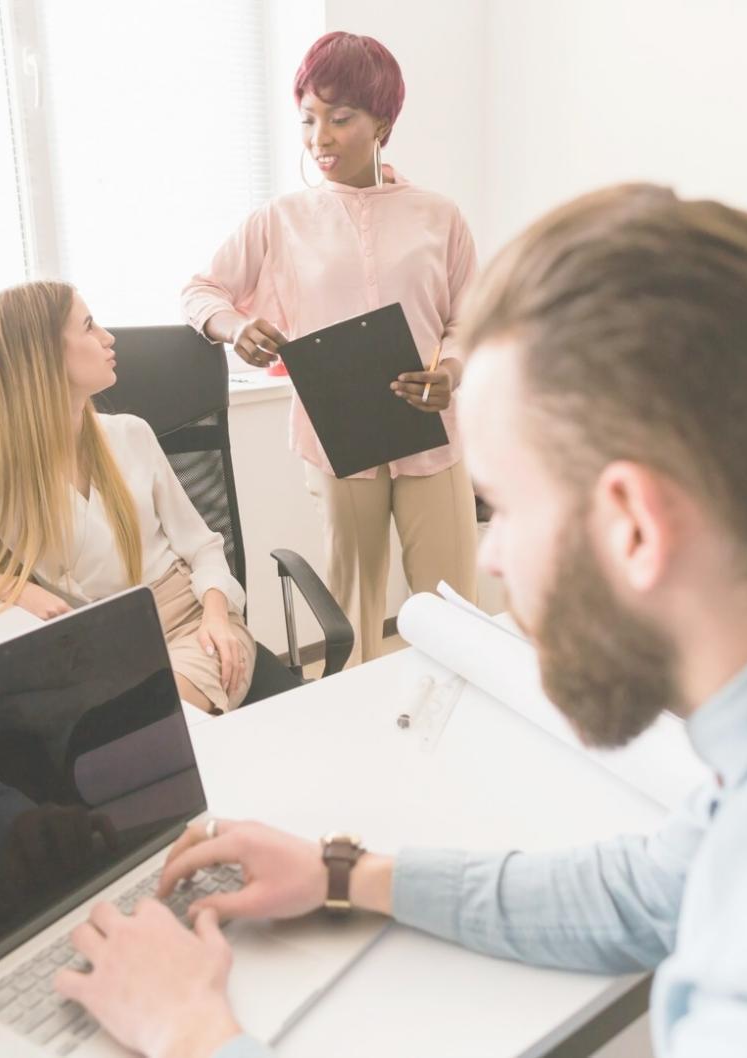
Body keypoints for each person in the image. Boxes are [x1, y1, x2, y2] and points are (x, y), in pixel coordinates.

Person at [49, 186, 747, 1058]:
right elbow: (649, 886)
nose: (494, 555)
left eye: (503, 505)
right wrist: (344, 872)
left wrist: (196, 1035)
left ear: (633, 526)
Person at [182, 31, 480, 664]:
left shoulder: (439, 216)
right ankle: (358, 738)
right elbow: (200, 290)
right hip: (337, 436)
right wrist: (235, 328)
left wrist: (452, 368)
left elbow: (472, 317)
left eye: (341, 118)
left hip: (433, 432)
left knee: (456, 609)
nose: (321, 136)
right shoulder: (280, 220)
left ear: (383, 124)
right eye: (308, 119)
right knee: (352, 613)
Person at [0, 280, 256, 713]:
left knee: (155, 722)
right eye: (88, 326)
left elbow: (202, 547)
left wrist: (218, 617)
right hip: (93, 646)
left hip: (189, 621)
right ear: (44, 355)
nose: (108, 338)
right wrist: (16, 590)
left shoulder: (130, 434)